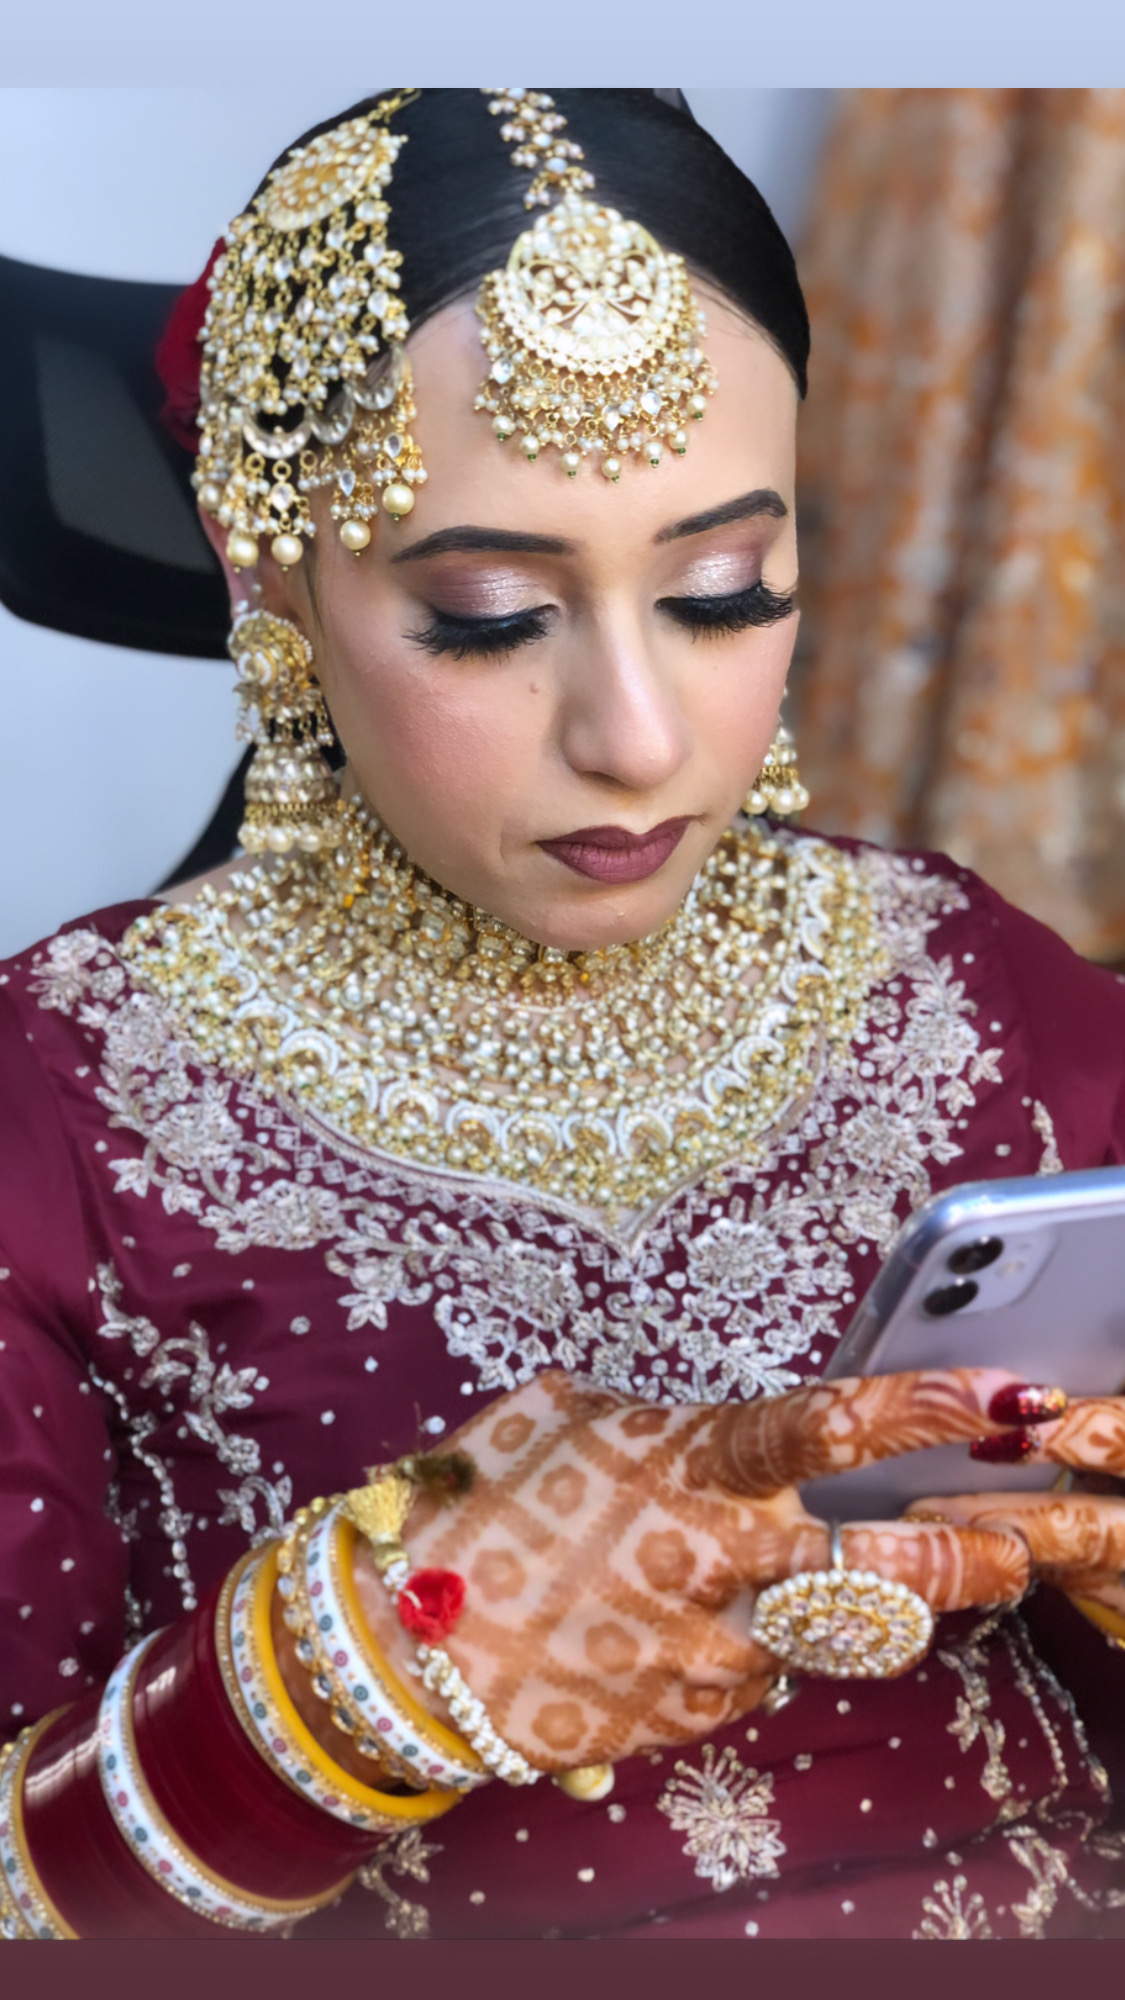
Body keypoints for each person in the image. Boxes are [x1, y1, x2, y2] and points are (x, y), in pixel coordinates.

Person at [3, 86, 1125, 1945]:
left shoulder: (988, 992)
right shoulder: (58, 1108)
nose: (638, 735)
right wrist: (356, 1678)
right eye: (490, 614)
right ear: (267, 565)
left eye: (721, 590)